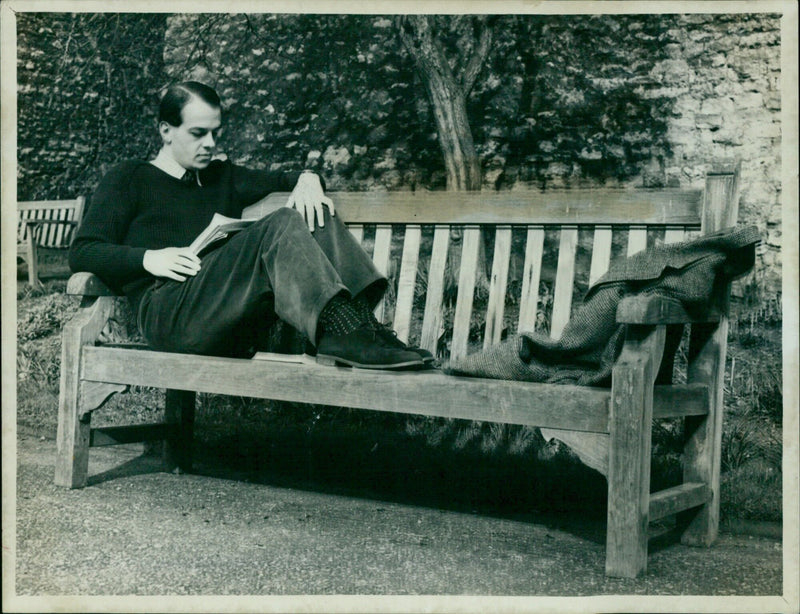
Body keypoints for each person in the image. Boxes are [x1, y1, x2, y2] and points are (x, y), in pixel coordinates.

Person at [69, 81, 432, 369]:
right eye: (198, 134)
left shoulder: (222, 176)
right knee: (281, 223)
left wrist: (307, 178)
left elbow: (283, 178)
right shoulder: (130, 177)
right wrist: (150, 259)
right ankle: (341, 330)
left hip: (226, 313)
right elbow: (83, 251)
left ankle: (358, 328)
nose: (210, 144)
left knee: (311, 209)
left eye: (216, 132)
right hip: (169, 313)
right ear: (166, 130)